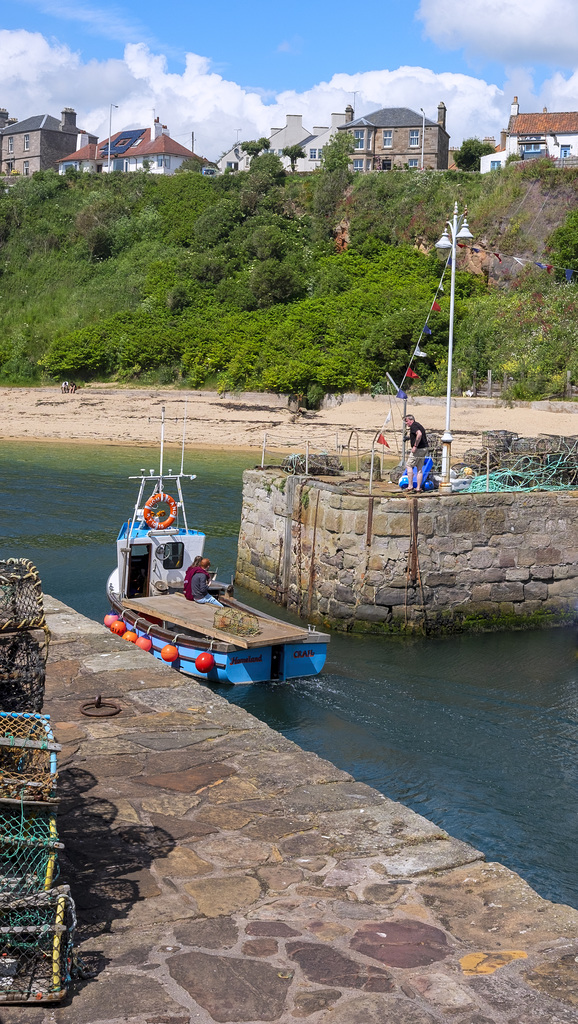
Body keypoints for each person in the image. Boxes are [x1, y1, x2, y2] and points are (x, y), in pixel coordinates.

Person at [404, 414, 429, 492]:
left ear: (411, 420)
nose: (406, 423)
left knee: (409, 465)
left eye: (406, 421)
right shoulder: (418, 425)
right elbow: (417, 435)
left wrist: (415, 446)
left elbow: (419, 434)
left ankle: (410, 486)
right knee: (419, 469)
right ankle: (418, 488)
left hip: (418, 449)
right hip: (424, 448)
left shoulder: (414, 426)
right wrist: (409, 438)